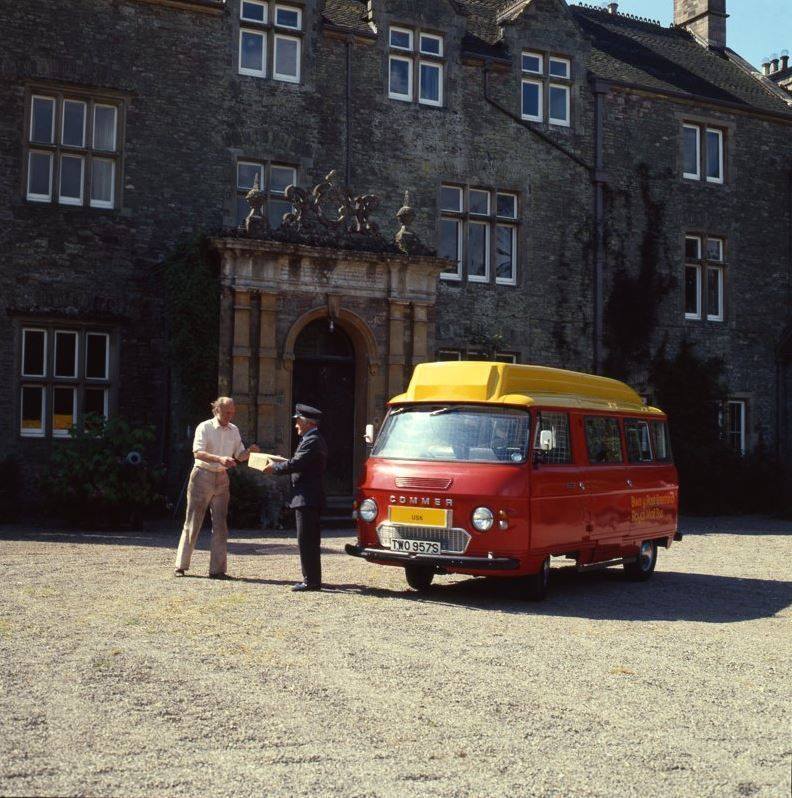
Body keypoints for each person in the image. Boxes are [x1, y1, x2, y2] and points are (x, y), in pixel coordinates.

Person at [174, 397, 259, 579]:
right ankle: (181, 565)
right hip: (202, 475)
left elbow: (239, 455)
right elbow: (197, 452)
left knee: (221, 524)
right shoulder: (204, 427)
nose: (230, 415)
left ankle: (217, 569)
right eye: (227, 412)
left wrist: (249, 452)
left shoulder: (234, 430)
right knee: (193, 522)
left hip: (222, 477)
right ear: (217, 410)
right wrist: (220, 459)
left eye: (232, 412)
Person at [263, 404, 328, 592]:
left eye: (298, 421)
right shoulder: (312, 439)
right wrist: (281, 463)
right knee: (309, 540)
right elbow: (300, 462)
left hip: (307, 497)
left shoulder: (312, 440)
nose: (296, 425)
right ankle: (312, 578)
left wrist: (274, 468)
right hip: (308, 496)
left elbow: (298, 463)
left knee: (306, 540)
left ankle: (311, 581)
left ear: (308, 423)